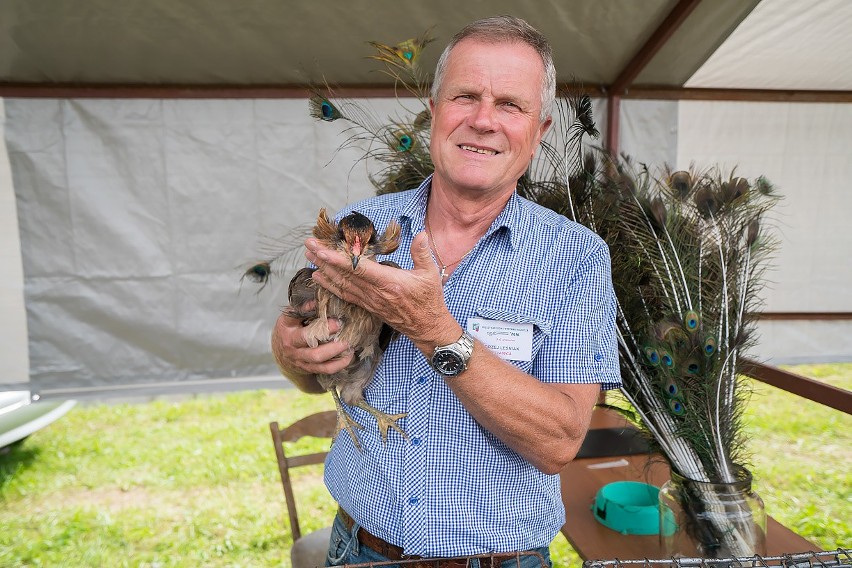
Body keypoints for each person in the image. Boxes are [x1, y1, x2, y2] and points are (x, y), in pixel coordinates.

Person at [272, 15, 620, 568]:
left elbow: (558, 443)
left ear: (540, 130)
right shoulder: (360, 228)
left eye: (510, 104)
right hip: (359, 549)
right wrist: (291, 350)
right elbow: (314, 379)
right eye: (465, 96)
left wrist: (435, 331)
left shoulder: (575, 258)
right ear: (433, 114)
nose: (483, 120)